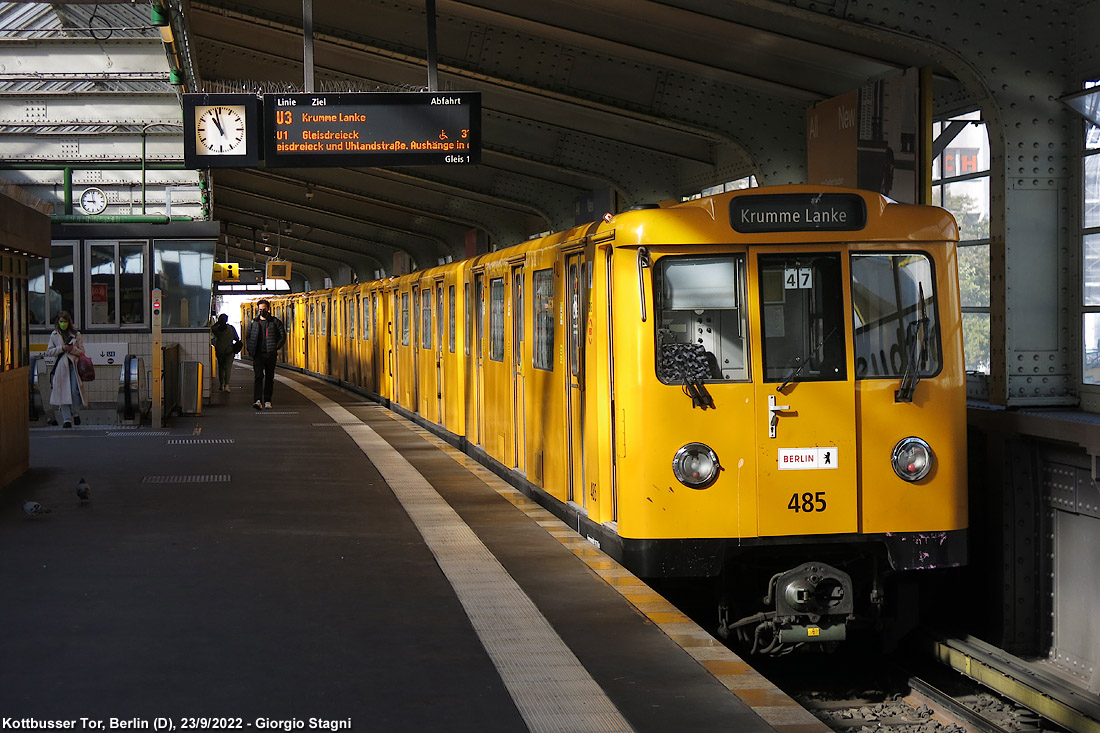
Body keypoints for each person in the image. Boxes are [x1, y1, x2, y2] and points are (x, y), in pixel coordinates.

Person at [44, 310, 86, 429]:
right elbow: (49, 351)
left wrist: (72, 349)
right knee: (63, 393)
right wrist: (62, 348)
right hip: (61, 368)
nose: (63, 324)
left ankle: (75, 412)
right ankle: (66, 419)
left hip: (74, 366)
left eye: (65, 321)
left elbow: (82, 352)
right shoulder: (54, 335)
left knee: (74, 391)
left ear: (69, 322)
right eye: (61, 321)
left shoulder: (77, 335)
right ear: (58, 322)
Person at [245, 299, 286, 410]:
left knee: (269, 378)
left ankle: (268, 400)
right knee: (258, 377)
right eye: (260, 309)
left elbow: (283, 336)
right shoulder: (253, 323)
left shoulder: (275, 322)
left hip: (270, 354)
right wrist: (250, 349)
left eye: (264, 309)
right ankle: (257, 400)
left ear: (268, 309)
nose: (262, 311)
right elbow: (248, 337)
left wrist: (275, 347)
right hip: (257, 355)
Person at [210, 313, 241, 393]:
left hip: (220, 351)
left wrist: (217, 323)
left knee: (221, 367)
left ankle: (221, 384)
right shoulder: (231, 328)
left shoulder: (216, 330)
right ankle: (227, 385)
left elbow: (211, 329)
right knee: (228, 368)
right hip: (229, 351)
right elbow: (237, 338)